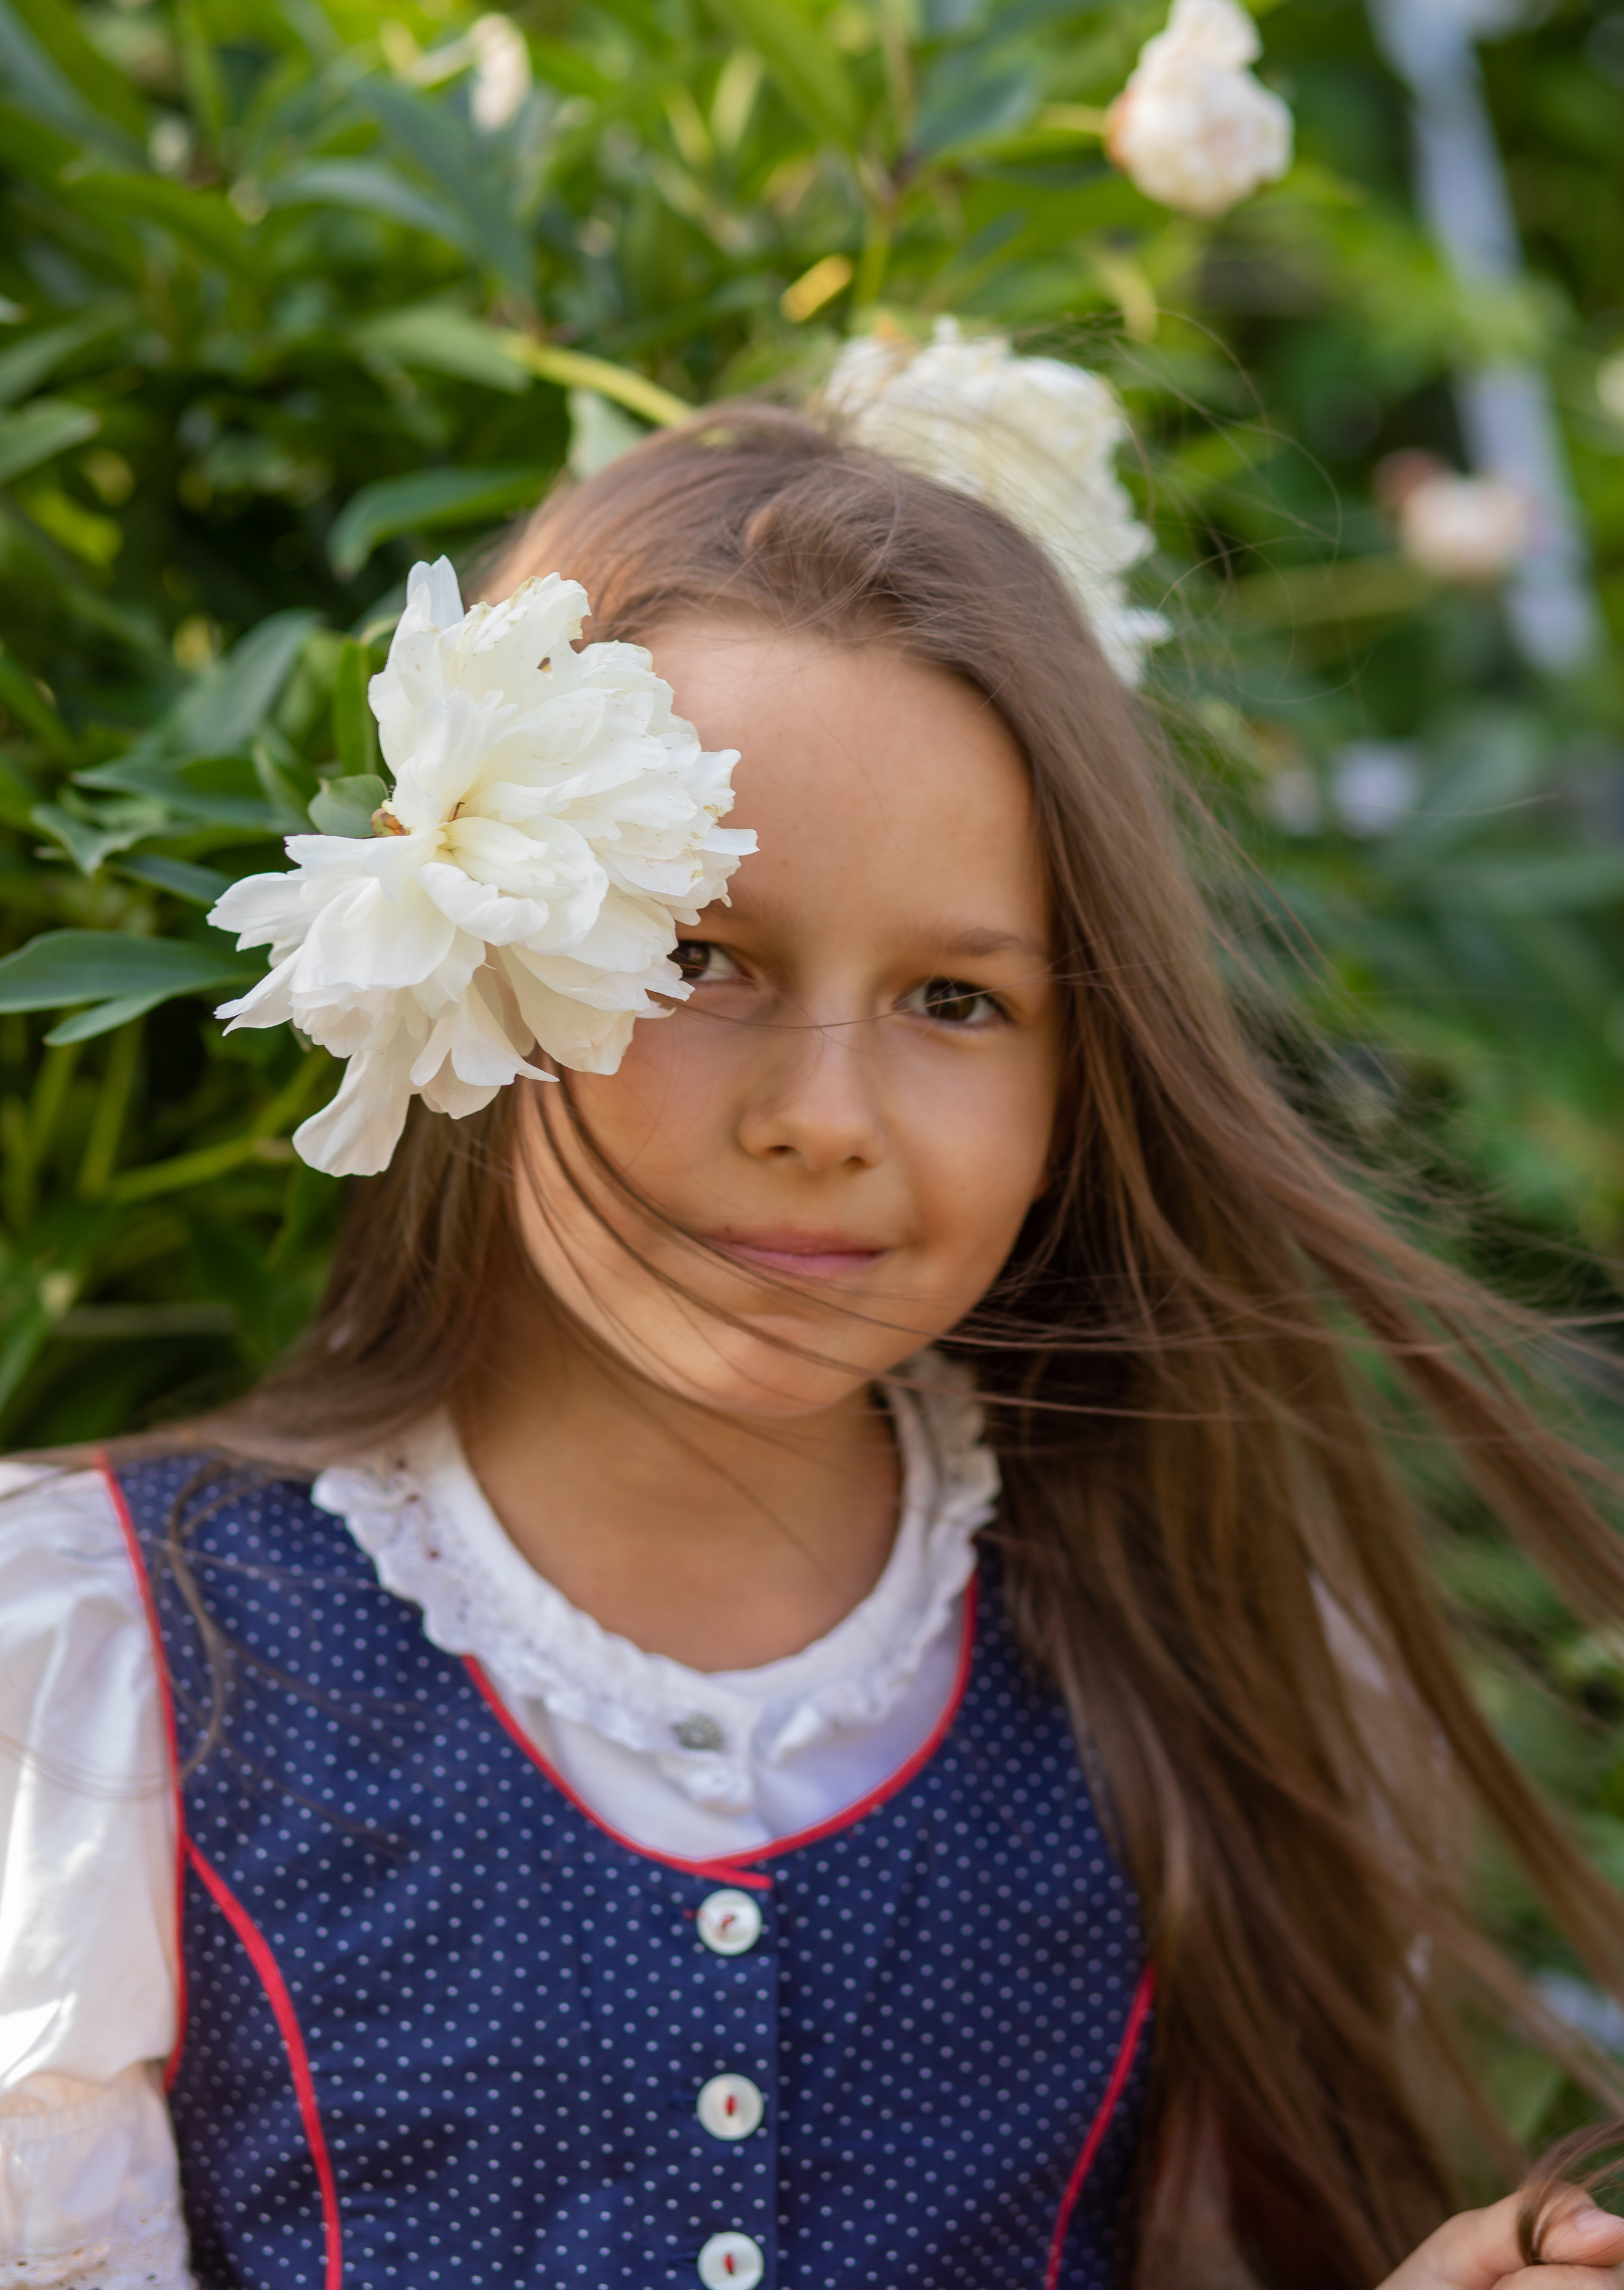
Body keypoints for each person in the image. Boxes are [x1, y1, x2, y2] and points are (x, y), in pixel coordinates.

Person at [3, 345, 1624, 2290]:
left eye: (958, 1002)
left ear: (1080, 1076)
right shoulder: (105, 1677)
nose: (826, 1119)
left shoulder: (1188, 1666)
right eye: (699, 958)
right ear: (467, 944)